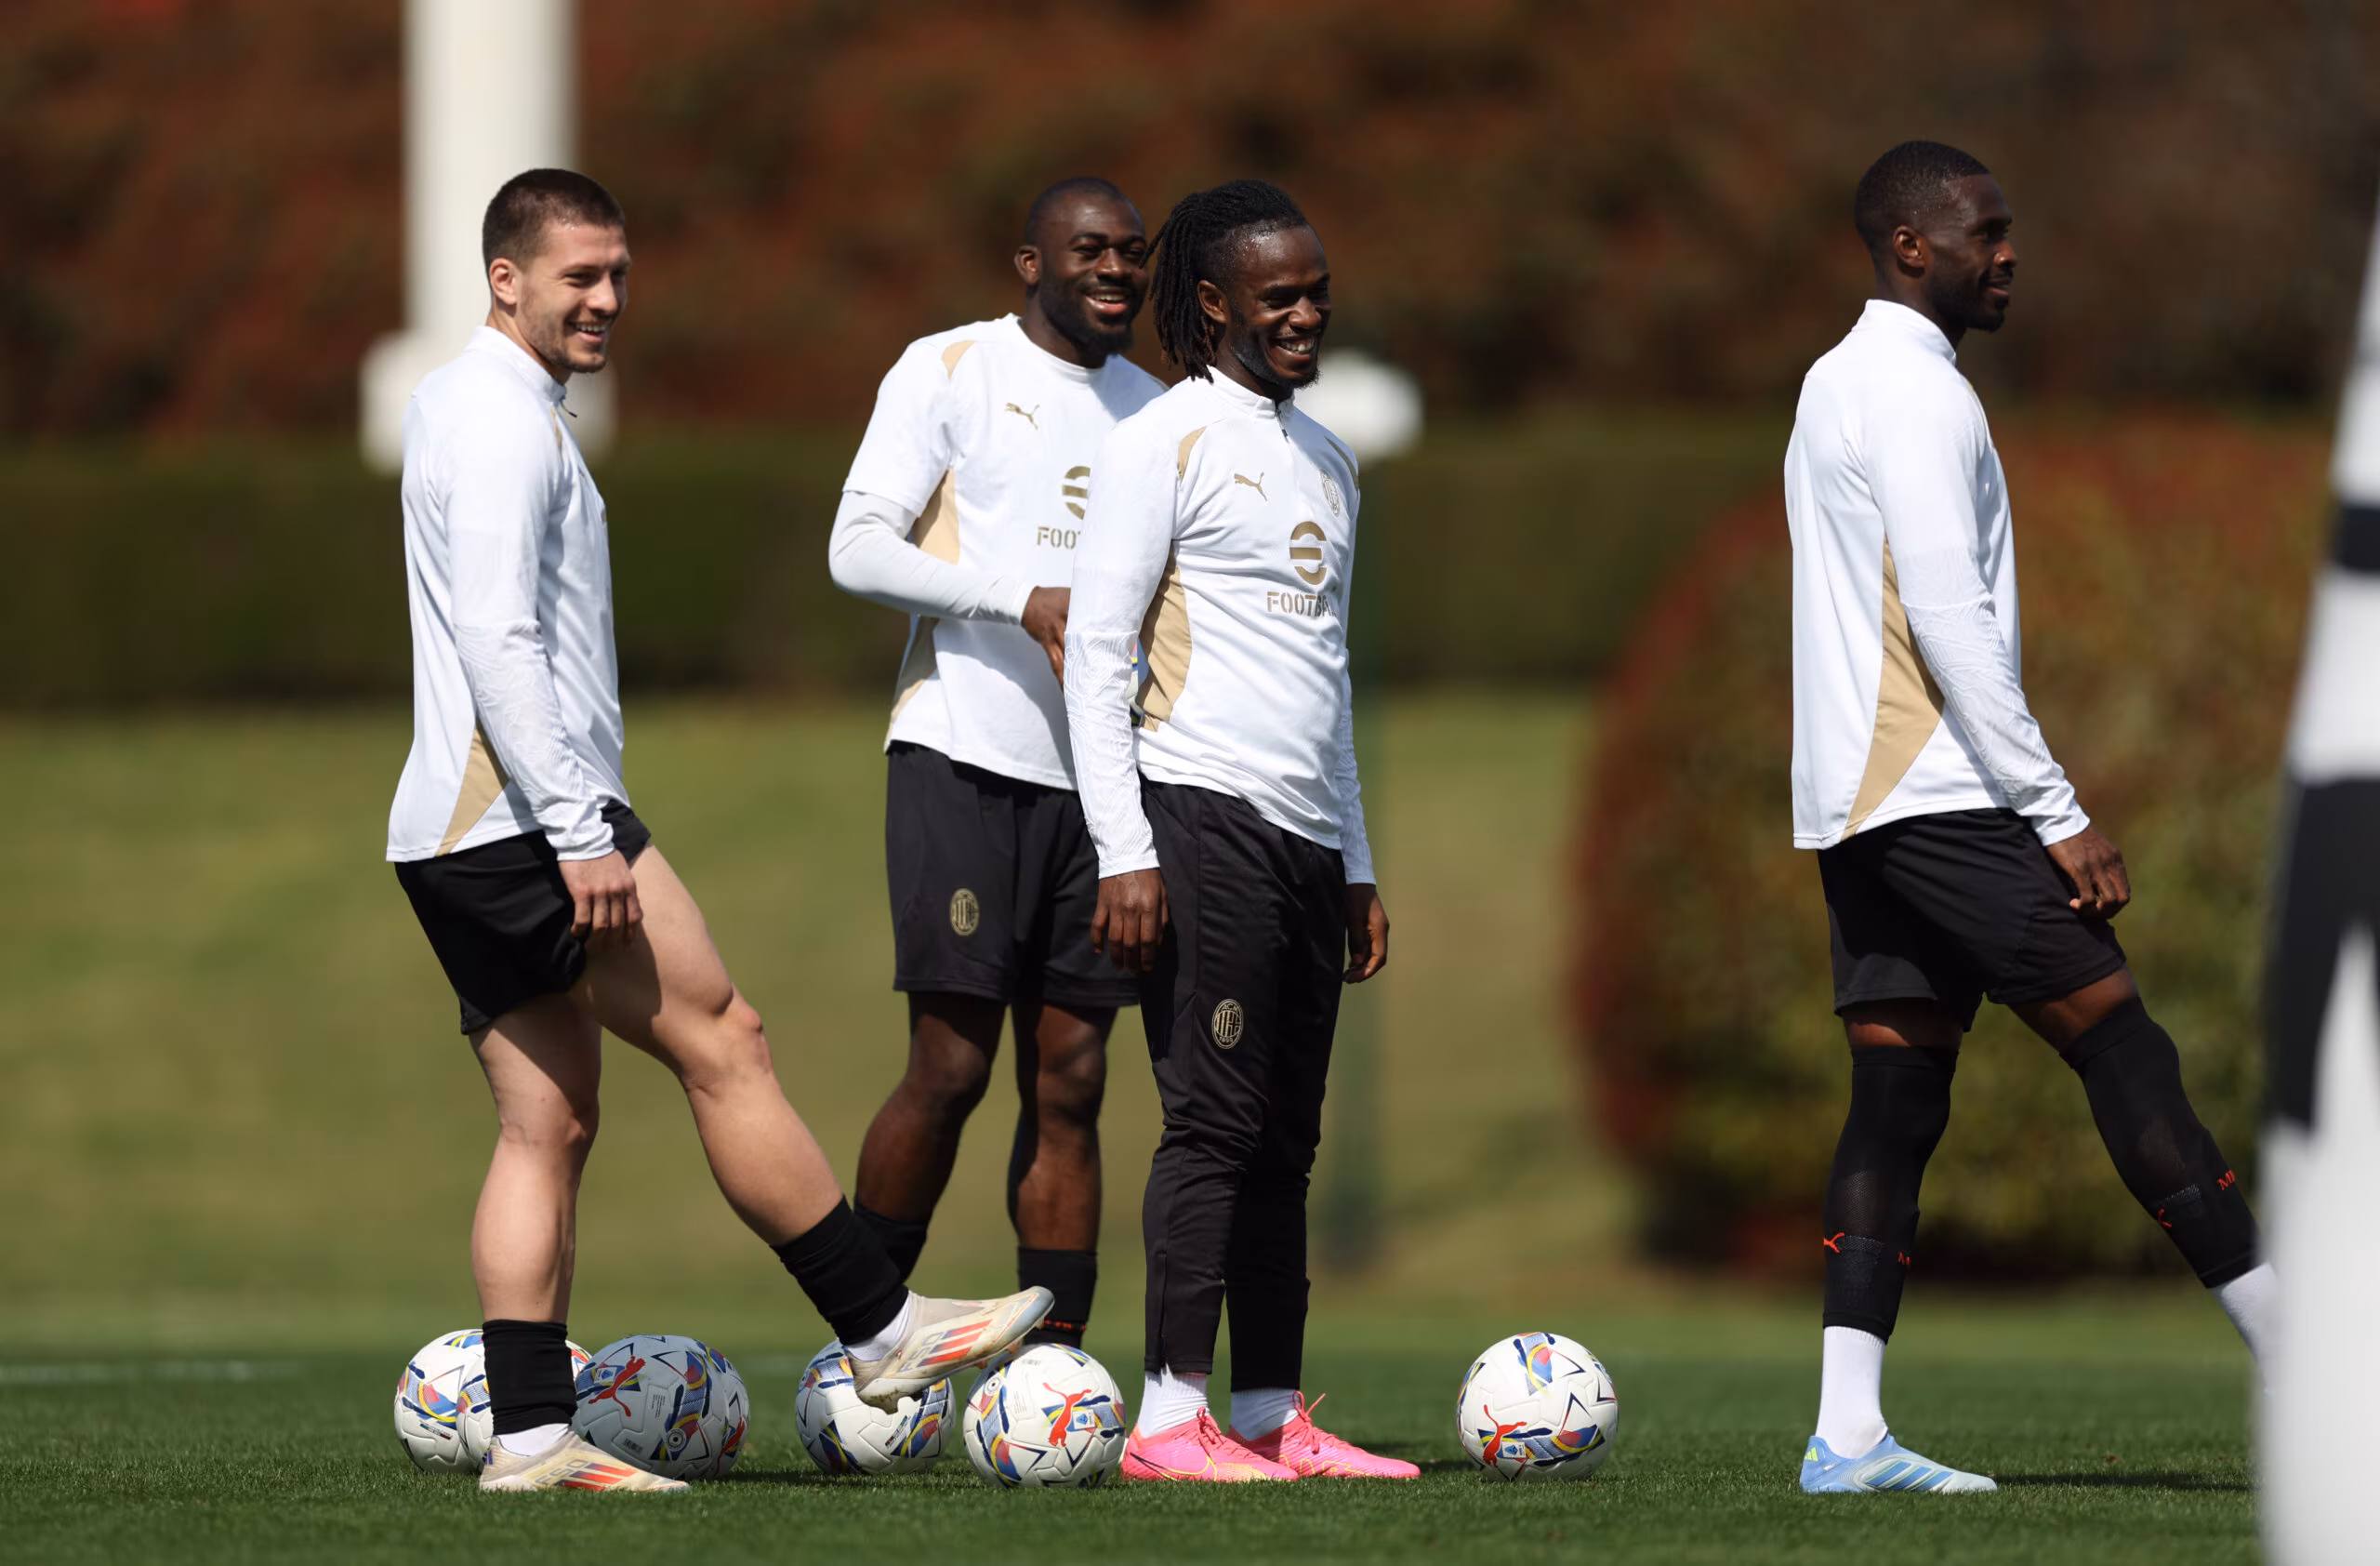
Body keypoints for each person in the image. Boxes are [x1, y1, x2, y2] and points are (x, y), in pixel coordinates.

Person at [387, 168, 1049, 1494]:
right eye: (579, 276)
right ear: (505, 280)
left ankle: (530, 1439)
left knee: (545, 1125)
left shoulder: (465, 404)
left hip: (452, 834)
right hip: (526, 819)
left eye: (619, 274)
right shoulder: (502, 423)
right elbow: (499, 639)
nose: (607, 298)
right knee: (724, 1038)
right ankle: (881, 1328)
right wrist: (580, 832)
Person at [1782, 140, 2276, 1494]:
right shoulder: (1918, 393)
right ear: (1910, 247)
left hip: (1858, 805)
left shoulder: (1833, 379)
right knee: (2122, 1043)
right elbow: (1945, 614)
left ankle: (1846, 1436)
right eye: (1984, 232)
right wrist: (2054, 809)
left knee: (1896, 1096)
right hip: (1943, 793)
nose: (2008, 255)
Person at [1064, 179, 1416, 1482]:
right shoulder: (1162, 440)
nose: (1307, 314)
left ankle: (1268, 1412)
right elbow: (1095, 656)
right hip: (1199, 814)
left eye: (1317, 292)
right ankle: (1167, 1420)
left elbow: (1327, 683)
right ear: (1212, 305)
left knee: (1285, 1139)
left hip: (1309, 844)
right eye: (1280, 297)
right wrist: (1125, 850)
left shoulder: (1330, 458)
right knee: (1212, 1124)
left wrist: (1357, 864)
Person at [828, 178, 1164, 1348]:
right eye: (1090, 249)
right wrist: (1020, 598)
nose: (1116, 269)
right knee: (951, 1066)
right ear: (1031, 263)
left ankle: (1053, 1373)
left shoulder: (1158, 412)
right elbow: (856, 547)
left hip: (1104, 792)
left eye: (1133, 252)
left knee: (1072, 1079)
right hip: (962, 756)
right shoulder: (949, 368)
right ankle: (863, 1344)